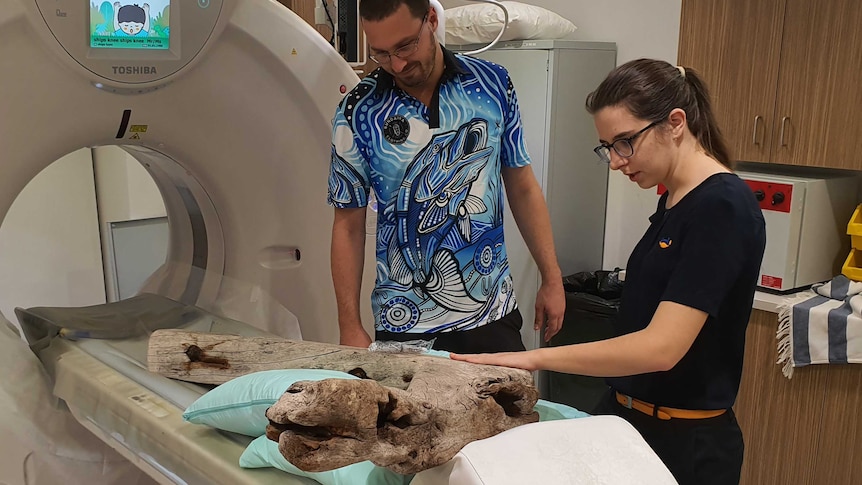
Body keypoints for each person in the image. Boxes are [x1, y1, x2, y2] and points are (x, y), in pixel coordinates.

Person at [452, 59, 766, 485]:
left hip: (685, 442)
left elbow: (661, 348)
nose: (616, 162)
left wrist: (531, 357)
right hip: (628, 420)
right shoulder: (676, 199)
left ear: (675, 123)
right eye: (608, 147)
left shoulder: (722, 207)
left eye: (624, 143)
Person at [327, 0, 565, 354]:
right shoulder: (357, 111)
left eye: (406, 45)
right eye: (381, 53)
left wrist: (552, 277)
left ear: (432, 20)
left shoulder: (493, 84)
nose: (398, 64)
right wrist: (349, 326)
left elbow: (522, 185)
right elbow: (347, 225)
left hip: (492, 312)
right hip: (404, 323)